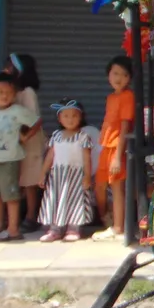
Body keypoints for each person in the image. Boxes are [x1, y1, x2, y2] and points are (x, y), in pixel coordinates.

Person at [0, 73, 37, 242]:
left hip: (9, 160)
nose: (4, 96)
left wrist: (25, 137)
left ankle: (13, 229)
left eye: (8, 92)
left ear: (14, 94)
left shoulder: (17, 111)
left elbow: (36, 123)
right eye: (0, 92)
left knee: (11, 195)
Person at [38, 100, 93, 242]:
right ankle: (55, 229)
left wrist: (87, 176)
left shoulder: (83, 137)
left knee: (75, 201)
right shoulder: (56, 135)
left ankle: (73, 229)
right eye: (66, 116)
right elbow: (50, 156)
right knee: (55, 200)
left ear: (81, 117)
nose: (70, 119)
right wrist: (43, 173)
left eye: (74, 116)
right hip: (57, 176)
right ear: (59, 118)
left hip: (75, 176)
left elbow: (87, 158)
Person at [92, 56, 135, 241]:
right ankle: (107, 220)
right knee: (101, 184)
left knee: (117, 187)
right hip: (106, 144)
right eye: (115, 73)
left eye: (124, 75)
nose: (119, 78)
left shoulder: (128, 96)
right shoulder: (111, 97)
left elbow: (125, 125)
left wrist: (118, 155)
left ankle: (118, 227)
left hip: (116, 146)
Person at [4, 54, 46, 232]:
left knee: (30, 181)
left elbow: (34, 120)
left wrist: (24, 137)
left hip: (30, 142)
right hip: (18, 143)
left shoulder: (28, 93)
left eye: (8, 66)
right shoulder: (13, 92)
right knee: (20, 179)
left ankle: (31, 216)